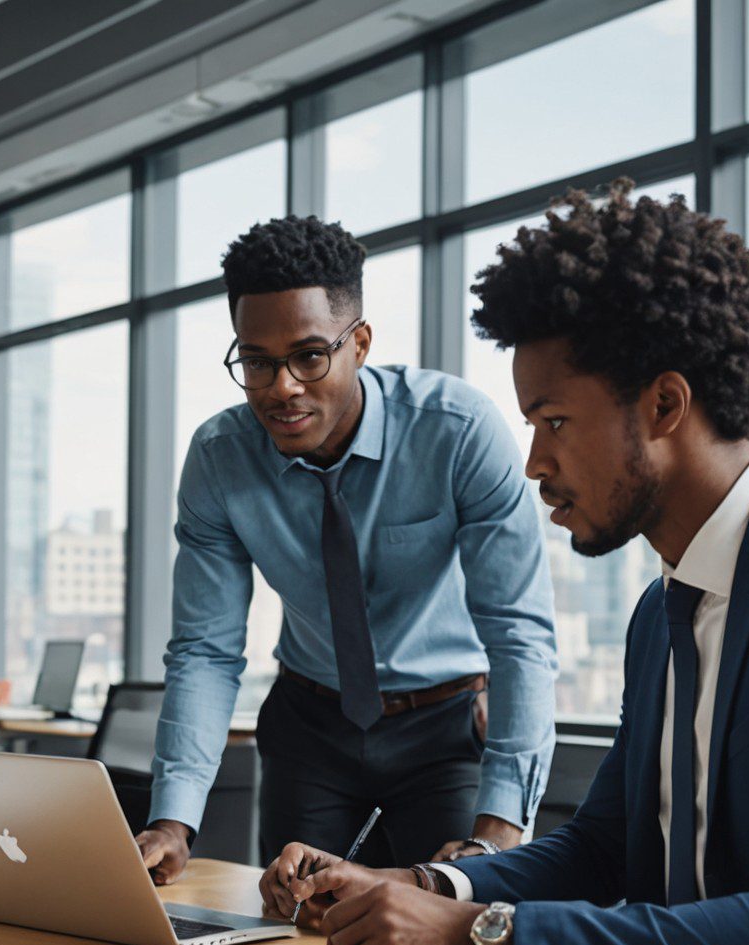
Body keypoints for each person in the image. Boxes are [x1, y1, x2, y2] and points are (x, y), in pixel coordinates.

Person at [266, 182, 749, 945]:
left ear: (665, 405)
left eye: (555, 421)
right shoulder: (660, 611)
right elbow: (606, 849)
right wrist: (417, 886)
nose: (533, 462)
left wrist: (481, 936)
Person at [138, 216, 559, 884]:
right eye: (256, 362)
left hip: (444, 725)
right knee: (294, 925)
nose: (281, 388)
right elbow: (205, 648)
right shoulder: (220, 459)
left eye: (309, 356)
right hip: (311, 726)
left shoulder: (457, 432)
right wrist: (172, 820)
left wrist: (500, 828)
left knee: (453, 917)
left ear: (358, 343)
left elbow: (518, 634)